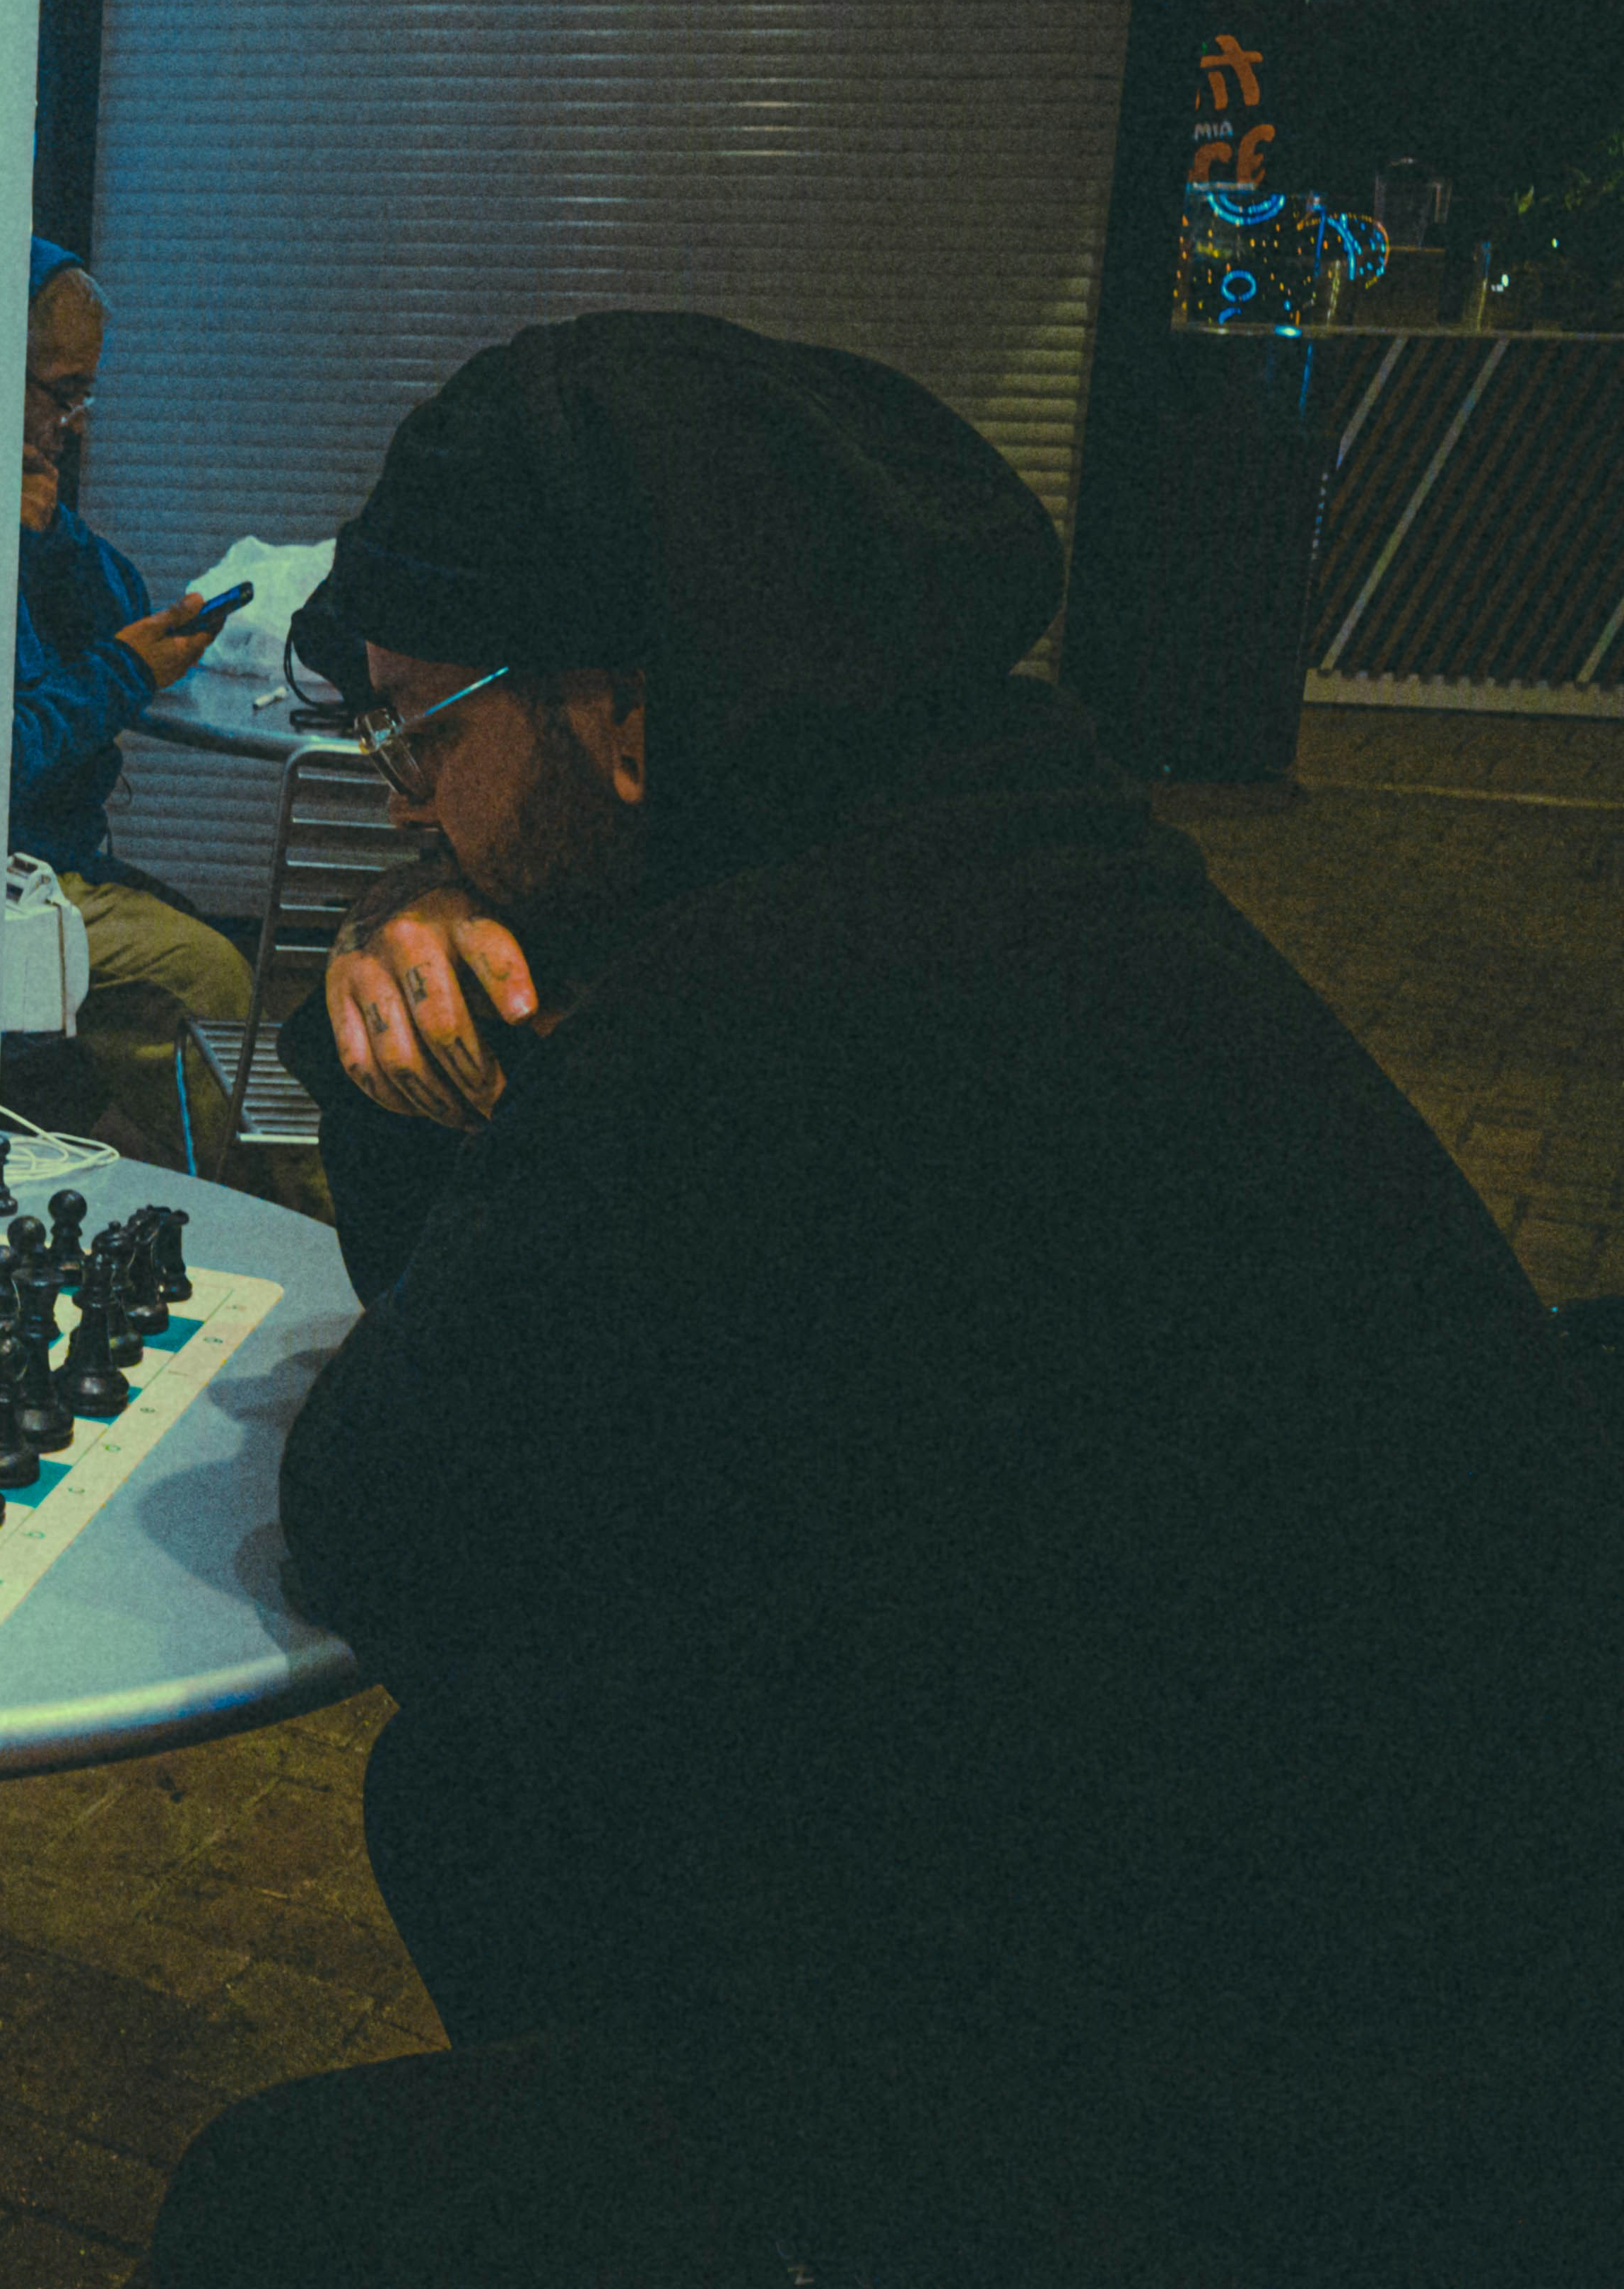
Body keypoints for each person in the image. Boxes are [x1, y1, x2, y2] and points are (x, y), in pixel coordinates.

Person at [132, 312, 1624, 2288]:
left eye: (423, 729)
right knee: (486, 1796)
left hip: (1329, 2122)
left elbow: (390, 1518)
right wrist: (453, 997)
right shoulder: (1004, 843)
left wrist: (423, 1041)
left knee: (283, 2208)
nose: (407, 803)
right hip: (1392, 1908)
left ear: (623, 706)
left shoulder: (773, 1008)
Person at [14, 240, 257, 1173]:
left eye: (84, 398)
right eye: (60, 393)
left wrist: (52, 539)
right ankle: (287, 1214)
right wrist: (122, 671)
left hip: (61, 852)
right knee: (207, 978)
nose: (71, 426)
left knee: (195, 944)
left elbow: (122, 602)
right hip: (4, 867)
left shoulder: (20, 509)